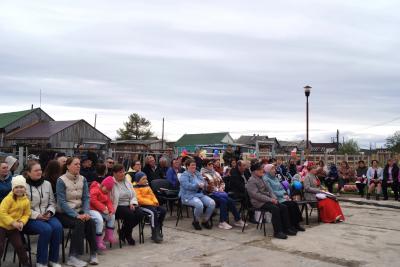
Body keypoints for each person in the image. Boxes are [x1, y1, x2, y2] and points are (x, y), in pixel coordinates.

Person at [56, 157, 98, 266]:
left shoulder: (82, 179)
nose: (78, 166)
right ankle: (73, 257)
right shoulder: (61, 180)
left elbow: (86, 197)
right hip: (64, 213)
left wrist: (86, 212)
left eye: (79, 164)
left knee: (91, 222)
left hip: (80, 211)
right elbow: (61, 202)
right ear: (68, 166)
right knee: (79, 223)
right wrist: (76, 215)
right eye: (75, 164)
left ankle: (93, 253)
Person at [24, 162, 62, 267]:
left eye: (40, 169)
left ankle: (53, 260)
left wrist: (49, 212)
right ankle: (41, 262)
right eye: (36, 170)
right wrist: (38, 216)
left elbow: (52, 202)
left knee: (58, 227)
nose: (39, 172)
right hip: (30, 218)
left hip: (47, 214)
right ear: (28, 173)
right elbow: (22, 208)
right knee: (46, 229)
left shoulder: (47, 184)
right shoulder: (23, 186)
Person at [246, 162, 296, 239]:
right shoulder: (251, 181)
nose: (262, 170)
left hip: (267, 200)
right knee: (275, 209)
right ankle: (278, 232)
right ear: (254, 171)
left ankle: (286, 228)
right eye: (259, 169)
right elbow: (256, 195)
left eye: (262, 169)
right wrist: (271, 200)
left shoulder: (262, 178)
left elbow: (270, 190)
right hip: (258, 202)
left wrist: (274, 197)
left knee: (283, 207)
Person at [201, 159, 245, 230]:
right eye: (209, 164)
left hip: (219, 193)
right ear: (205, 166)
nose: (211, 165)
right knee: (223, 201)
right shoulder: (203, 174)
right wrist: (218, 190)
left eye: (212, 164)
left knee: (230, 200)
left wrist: (222, 188)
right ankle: (222, 222)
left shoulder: (215, 173)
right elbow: (206, 187)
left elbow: (222, 182)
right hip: (209, 194)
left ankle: (238, 220)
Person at [263, 164, 305, 232]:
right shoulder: (266, 179)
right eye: (272, 169)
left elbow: (281, 188)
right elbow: (271, 191)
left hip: (283, 197)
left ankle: (296, 224)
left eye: (274, 169)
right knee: (290, 205)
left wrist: (286, 194)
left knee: (294, 204)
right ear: (267, 171)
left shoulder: (275, 177)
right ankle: (290, 225)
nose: (275, 170)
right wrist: (283, 195)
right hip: (276, 198)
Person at [0, 175, 30, 267]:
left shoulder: (26, 201)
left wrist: (22, 222)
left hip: (14, 228)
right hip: (2, 226)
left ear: (25, 188)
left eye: (21, 187)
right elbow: (2, 212)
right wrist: (12, 222)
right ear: (13, 188)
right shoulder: (8, 199)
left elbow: (27, 214)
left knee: (20, 246)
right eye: (16, 187)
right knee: (0, 247)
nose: (19, 189)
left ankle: (25, 263)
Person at [111, 164, 144, 246]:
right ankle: (128, 235)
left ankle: (123, 231)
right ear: (114, 174)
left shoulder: (127, 181)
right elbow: (110, 198)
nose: (122, 174)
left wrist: (132, 203)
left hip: (128, 204)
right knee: (130, 214)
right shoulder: (111, 183)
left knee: (140, 214)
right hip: (117, 205)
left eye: (123, 172)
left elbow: (133, 195)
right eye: (120, 172)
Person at [179, 159, 215, 230]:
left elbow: (204, 181)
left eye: (195, 165)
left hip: (199, 194)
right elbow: (186, 186)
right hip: (187, 196)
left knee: (212, 203)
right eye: (192, 165)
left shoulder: (197, 173)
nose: (194, 166)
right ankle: (196, 221)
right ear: (187, 166)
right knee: (199, 204)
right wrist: (197, 185)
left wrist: (203, 184)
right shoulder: (184, 175)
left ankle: (205, 220)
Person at [133, 172, 165, 243]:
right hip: (143, 206)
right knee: (153, 212)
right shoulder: (135, 188)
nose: (146, 180)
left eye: (146, 179)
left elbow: (152, 195)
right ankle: (154, 233)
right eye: (143, 179)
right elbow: (139, 199)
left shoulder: (147, 186)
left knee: (163, 210)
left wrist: (156, 202)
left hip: (152, 204)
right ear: (138, 181)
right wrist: (151, 203)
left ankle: (158, 228)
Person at [89, 176, 116, 250]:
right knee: (99, 220)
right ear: (103, 185)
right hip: (91, 210)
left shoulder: (106, 192)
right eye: (107, 189)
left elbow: (108, 202)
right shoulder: (95, 189)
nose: (108, 191)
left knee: (112, 216)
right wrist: (103, 208)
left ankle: (108, 236)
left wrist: (111, 210)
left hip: (100, 210)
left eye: (109, 190)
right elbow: (93, 200)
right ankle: (98, 241)